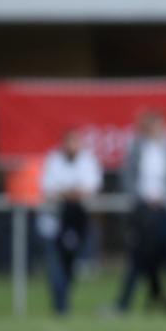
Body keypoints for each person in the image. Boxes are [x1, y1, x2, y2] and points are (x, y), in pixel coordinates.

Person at [115, 111, 166, 314]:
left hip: (164, 208)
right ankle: (125, 303)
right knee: (139, 257)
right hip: (143, 210)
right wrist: (141, 198)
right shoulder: (136, 149)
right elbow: (128, 177)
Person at [38, 128, 102, 315]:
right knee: (54, 263)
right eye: (69, 142)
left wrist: (70, 192)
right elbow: (48, 186)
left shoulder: (87, 160)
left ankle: (63, 301)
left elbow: (92, 186)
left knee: (70, 263)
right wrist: (69, 192)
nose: (72, 146)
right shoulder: (53, 160)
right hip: (55, 220)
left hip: (77, 220)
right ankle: (60, 304)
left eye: (75, 142)